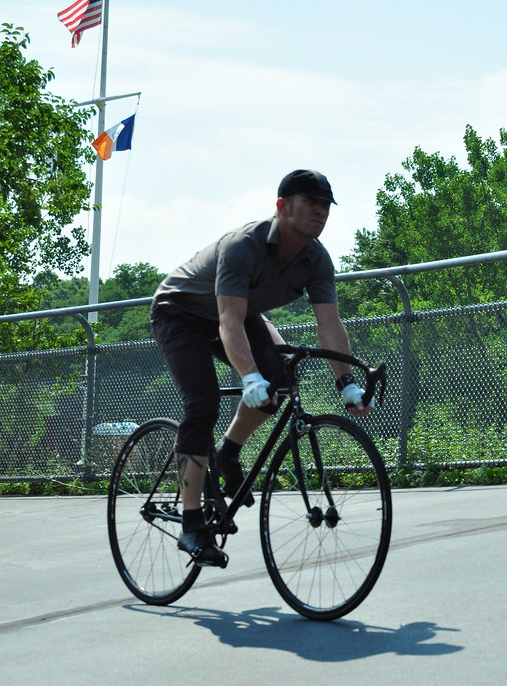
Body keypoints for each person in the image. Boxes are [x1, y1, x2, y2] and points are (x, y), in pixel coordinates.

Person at [150, 168, 373, 566]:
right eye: (311, 204)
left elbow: (329, 323)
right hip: (181, 313)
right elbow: (229, 323)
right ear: (283, 207)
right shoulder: (244, 247)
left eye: (326, 207)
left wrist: (347, 382)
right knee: (202, 406)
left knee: (281, 378)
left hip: (236, 312)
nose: (320, 213)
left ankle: (229, 453)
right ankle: (190, 522)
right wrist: (249, 375)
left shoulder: (316, 258)